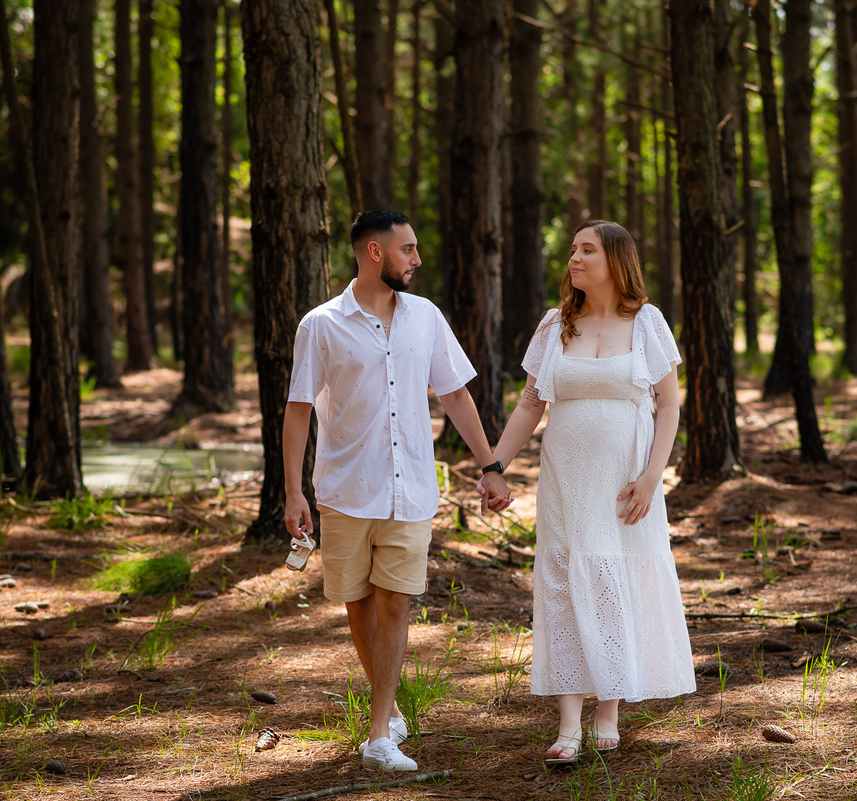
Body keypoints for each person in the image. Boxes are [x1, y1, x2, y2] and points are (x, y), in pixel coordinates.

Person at [284, 209, 511, 772]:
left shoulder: (426, 317)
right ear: (375, 253)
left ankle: (379, 731)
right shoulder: (320, 324)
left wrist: (491, 466)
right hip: (344, 488)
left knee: (397, 601)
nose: (417, 259)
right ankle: (386, 711)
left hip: (410, 487)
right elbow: (298, 412)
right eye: (407, 249)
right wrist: (293, 493)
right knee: (359, 603)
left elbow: (455, 396)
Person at [481, 220, 695, 764]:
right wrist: (495, 465)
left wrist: (652, 475)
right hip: (566, 479)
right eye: (573, 249)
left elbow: (668, 406)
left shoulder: (647, 322)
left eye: (587, 250)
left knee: (614, 576)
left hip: (627, 480)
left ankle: (609, 711)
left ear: (616, 260)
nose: (574, 258)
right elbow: (531, 403)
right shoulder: (556, 325)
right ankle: (569, 721)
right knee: (566, 580)